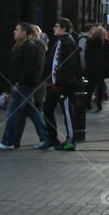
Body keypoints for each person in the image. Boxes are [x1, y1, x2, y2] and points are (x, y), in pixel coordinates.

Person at [0, 23, 49, 150]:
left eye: (17, 30)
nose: (14, 32)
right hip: (25, 84)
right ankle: (45, 137)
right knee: (33, 111)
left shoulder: (28, 46)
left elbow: (28, 68)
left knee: (12, 112)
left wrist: (19, 82)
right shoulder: (26, 45)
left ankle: (8, 141)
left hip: (23, 85)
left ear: (24, 32)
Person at [42, 18, 82, 151]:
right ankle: (52, 138)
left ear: (63, 29)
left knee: (67, 112)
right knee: (47, 108)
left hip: (64, 85)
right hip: (56, 84)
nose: (54, 28)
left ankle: (71, 141)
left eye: (56, 26)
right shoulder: (60, 41)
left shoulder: (67, 41)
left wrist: (60, 81)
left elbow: (71, 65)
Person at [85, 26, 109, 112]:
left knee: (90, 86)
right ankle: (99, 104)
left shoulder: (90, 42)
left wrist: (88, 64)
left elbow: (87, 55)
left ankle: (88, 103)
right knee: (100, 86)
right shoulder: (106, 42)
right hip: (101, 68)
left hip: (91, 67)